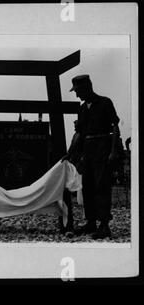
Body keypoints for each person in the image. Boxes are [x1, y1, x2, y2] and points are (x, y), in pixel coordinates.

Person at [63, 75, 120, 239]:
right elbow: (79, 133)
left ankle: (104, 226)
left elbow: (115, 127)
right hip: (87, 152)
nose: (76, 95)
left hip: (102, 148)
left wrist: (113, 151)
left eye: (78, 91)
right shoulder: (82, 109)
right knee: (87, 186)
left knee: (101, 187)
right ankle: (91, 223)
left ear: (87, 87)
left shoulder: (105, 103)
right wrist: (70, 153)